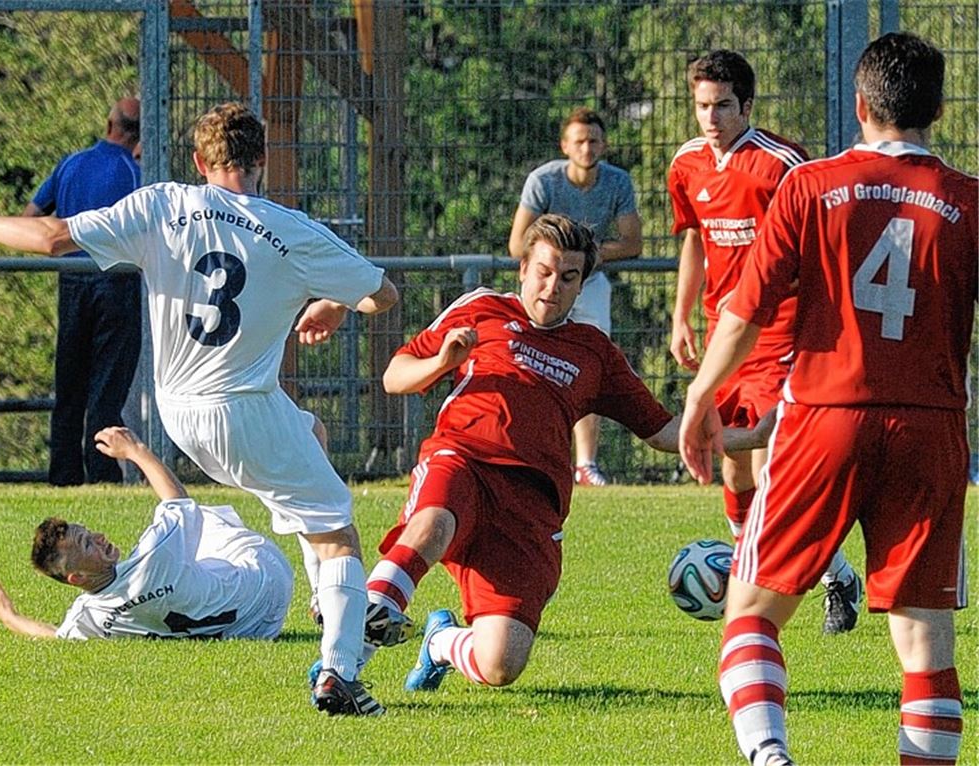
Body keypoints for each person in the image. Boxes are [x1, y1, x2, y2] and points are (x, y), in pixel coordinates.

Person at [0, 102, 402, 717]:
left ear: (198, 163)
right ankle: (340, 674)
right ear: (263, 162)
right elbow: (384, 293)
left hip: (180, 416)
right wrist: (333, 301)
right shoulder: (292, 229)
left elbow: (53, 237)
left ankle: (330, 604)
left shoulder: (163, 202)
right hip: (242, 409)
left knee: (311, 431)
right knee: (340, 535)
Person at [678, 33, 974, 766]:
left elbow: (744, 313)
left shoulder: (809, 185)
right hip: (930, 428)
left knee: (751, 613)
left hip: (822, 417)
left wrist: (701, 396)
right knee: (924, 645)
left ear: (861, 103)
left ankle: (770, 756)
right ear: (936, 108)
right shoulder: (970, 201)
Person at [356, 214, 772, 694]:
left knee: (501, 664)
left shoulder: (593, 352)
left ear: (581, 286)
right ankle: (346, 660)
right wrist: (443, 362)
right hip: (463, 458)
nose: (552, 287)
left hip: (531, 506)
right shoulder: (482, 308)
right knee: (434, 522)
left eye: (568, 277)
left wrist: (757, 436)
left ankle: (440, 643)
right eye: (544, 271)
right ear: (524, 269)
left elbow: (662, 431)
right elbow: (395, 375)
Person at [667, 49, 862, 635]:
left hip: (779, 332)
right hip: (723, 337)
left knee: (779, 464)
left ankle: (829, 579)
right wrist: (681, 316)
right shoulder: (686, 165)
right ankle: (773, 567)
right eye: (701, 105)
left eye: (722, 105)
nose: (710, 117)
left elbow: (816, 252)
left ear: (747, 105)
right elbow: (696, 241)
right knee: (734, 471)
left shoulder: (783, 166)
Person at [0, 426, 293, 640]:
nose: (100, 537)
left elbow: (58, 636)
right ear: (75, 577)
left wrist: (11, 618)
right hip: (268, 581)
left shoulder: (91, 616)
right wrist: (135, 450)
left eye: (88, 532)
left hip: (254, 631)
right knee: (201, 517)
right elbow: (179, 500)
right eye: (87, 543)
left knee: (187, 543)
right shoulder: (153, 557)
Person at [508, 107, 642, 487]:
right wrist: (556, 264)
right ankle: (525, 452)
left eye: (594, 140)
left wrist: (582, 260)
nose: (587, 148)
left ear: (605, 144)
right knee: (527, 362)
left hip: (591, 281)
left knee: (587, 365)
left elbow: (632, 241)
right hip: (544, 281)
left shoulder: (618, 181)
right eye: (579, 141)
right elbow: (518, 242)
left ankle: (585, 463)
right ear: (565, 145)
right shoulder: (543, 180)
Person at [23, 98, 143, 486]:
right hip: (115, 282)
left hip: (72, 280)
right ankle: (104, 474)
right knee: (107, 386)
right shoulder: (133, 172)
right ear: (139, 137)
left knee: (69, 384)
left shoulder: (70, 164)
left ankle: (63, 474)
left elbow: (31, 217)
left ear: (109, 123)